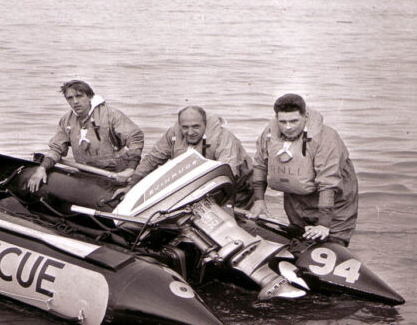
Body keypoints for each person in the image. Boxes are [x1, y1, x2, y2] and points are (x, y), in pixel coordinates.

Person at [247, 94, 358, 246]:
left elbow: (328, 183)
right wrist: (259, 200)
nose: (288, 127)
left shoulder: (327, 138)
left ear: (305, 116)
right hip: (297, 196)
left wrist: (324, 224)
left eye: (294, 121)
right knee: (301, 241)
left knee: (332, 243)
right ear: (276, 118)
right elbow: (260, 165)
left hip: (335, 198)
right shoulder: (269, 133)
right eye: (283, 122)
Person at [125, 106, 254, 209]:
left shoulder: (223, 137)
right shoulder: (173, 133)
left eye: (196, 127)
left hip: (238, 187)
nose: (190, 132)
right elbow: (151, 159)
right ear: (180, 125)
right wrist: (131, 187)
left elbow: (229, 172)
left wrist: (226, 204)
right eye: (185, 127)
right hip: (201, 181)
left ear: (205, 124)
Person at [27, 80, 144, 192]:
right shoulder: (66, 120)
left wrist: (130, 169)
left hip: (117, 172)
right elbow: (57, 149)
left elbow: (135, 138)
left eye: (79, 96)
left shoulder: (110, 114)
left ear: (89, 97)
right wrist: (42, 169)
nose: (75, 102)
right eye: (70, 98)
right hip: (87, 173)